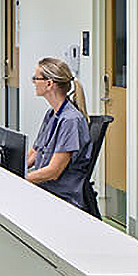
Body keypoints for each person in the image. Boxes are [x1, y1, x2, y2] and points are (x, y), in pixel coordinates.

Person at [25, 57, 90, 209]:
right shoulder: (52, 114)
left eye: (36, 78)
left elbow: (54, 171)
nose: (33, 82)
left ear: (49, 84)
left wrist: (22, 178)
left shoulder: (70, 121)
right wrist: (11, 169)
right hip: (45, 187)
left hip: (60, 195)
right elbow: (35, 153)